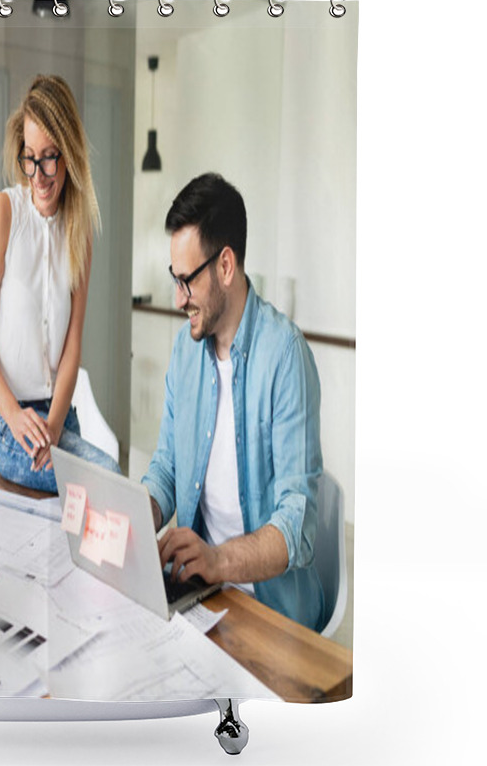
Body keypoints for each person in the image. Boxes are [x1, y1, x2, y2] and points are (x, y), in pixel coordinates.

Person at [142, 173, 325, 631]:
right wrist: (135, 517)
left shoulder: (285, 357)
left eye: (187, 281)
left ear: (225, 266)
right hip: (200, 593)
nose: (179, 298)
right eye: (174, 279)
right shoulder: (187, 350)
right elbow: (167, 465)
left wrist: (217, 560)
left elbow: (295, 525)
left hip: (269, 610)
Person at [0, 75, 120, 492]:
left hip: (59, 416)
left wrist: (55, 425)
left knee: (105, 481)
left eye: (50, 158)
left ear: (69, 155)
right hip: (13, 422)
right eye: (29, 158)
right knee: (102, 484)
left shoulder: (79, 230)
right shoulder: (3, 214)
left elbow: (73, 342)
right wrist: (16, 417)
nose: (38, 174)